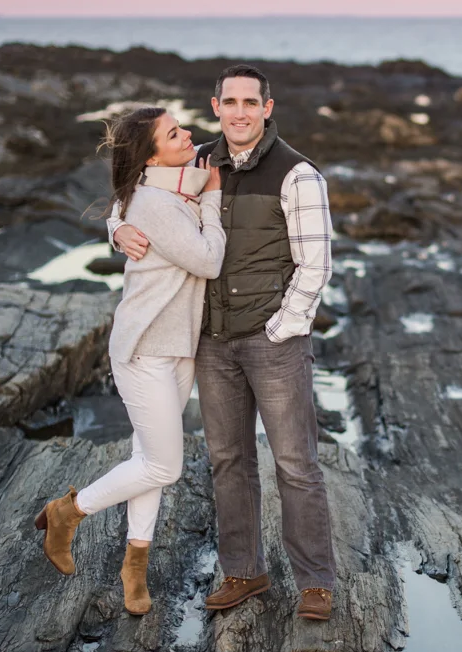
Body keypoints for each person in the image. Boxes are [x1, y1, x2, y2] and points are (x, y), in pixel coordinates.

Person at [110, 64, 337, 622]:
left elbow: (316, 265)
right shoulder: (196, 161)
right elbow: (134, 194)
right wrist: (115, 228)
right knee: (228, 461)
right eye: (228, 101)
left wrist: (283, 328)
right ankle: (243, 571)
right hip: (210, 342)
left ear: (267, 107)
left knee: (294, 463)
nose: (238, 112)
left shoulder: (298, 174)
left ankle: (314, 583)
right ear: (215, 106)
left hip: (273, 340)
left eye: (249, 103)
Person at [35, 106, 224, 615]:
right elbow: (207, 260)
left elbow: (130, 205)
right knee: (164, 464)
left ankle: (133, 569)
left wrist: (117, 225)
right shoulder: (161, 198)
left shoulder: (177, 177)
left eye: (182, 127)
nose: (188, 135)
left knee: (148, 461)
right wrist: (214, 199)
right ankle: (67, 512)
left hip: (178, 344)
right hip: (143, 349)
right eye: (174, 132)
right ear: (150, 154)